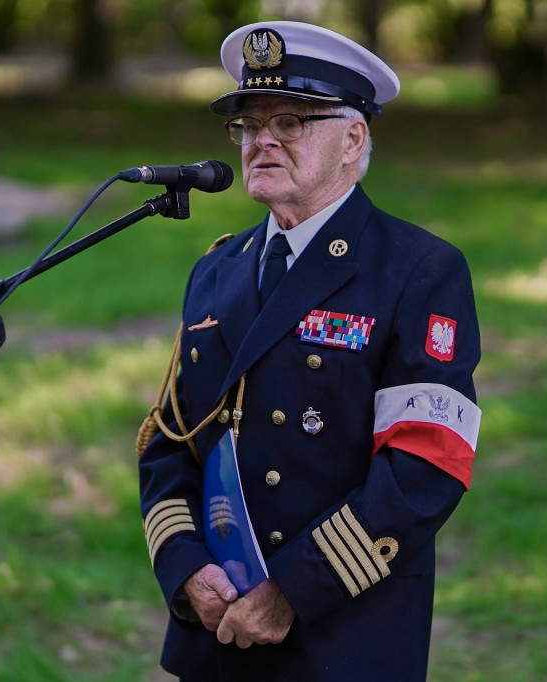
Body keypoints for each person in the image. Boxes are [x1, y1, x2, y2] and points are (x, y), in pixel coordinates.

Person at [136, 20, 482, 681]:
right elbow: (169, 439)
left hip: (344, 634)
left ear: (353, 138)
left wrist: (292, 590)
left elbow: (427, 463)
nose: (262, 139)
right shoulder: (217, 269)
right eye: (248, 123)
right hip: (218, 633)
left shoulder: (417, 269)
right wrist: (184, 567)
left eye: (291, 121)